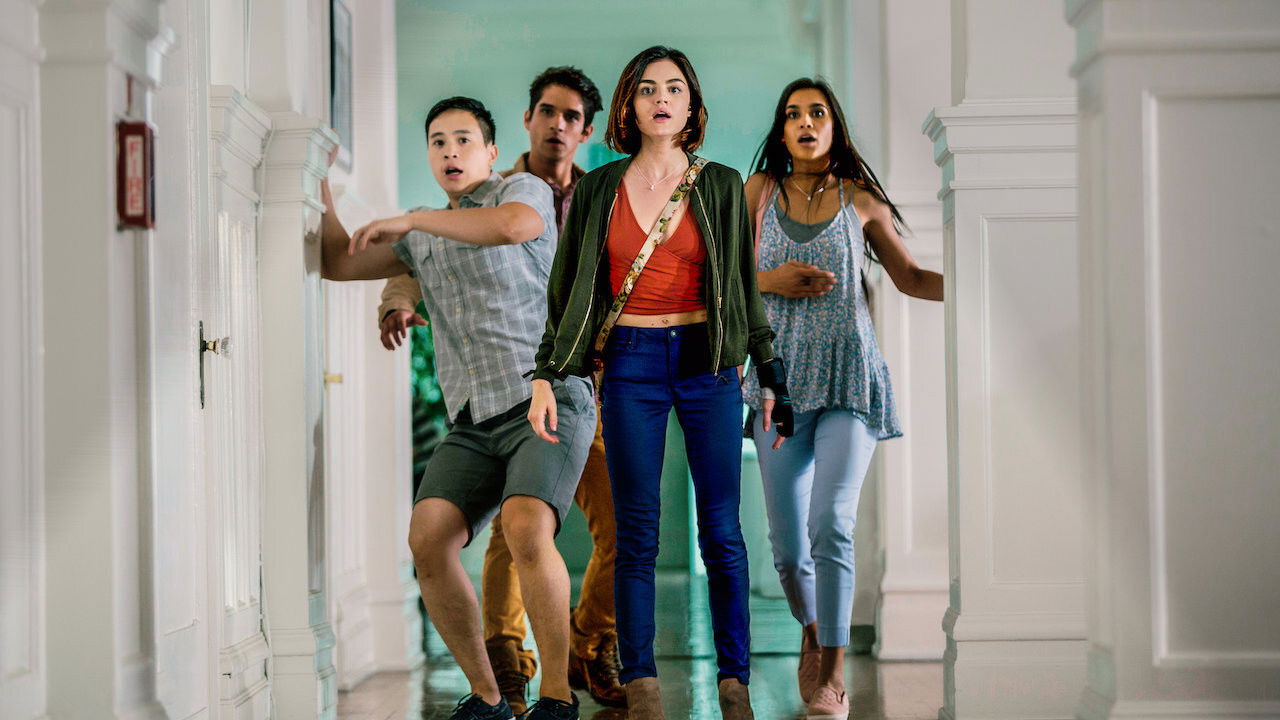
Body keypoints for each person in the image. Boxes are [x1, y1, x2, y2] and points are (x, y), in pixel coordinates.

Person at [528, 46, 792, 720]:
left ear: (692, 104)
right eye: (648, 89)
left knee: (722, 532)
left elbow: (742, 288)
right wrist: (547, 373)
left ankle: (734, 681)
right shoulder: (598, 188)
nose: (662, 99)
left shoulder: (722, 184)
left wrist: (770, 374)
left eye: (674, 88)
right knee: (637, 532)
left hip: (708, 362)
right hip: (631, 363)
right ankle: (642, 683)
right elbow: (567, 289)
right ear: (629, 104)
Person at [320, 96, 593, 720]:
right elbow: (336, 261)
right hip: (474, 420)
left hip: (546, 397)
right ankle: (489, 698)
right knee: (428, 537)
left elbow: (512, 227)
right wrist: (322, 178)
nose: (450, 151)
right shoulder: (424, 239)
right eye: (438, 141)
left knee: (525, 525)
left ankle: (556, 698)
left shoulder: (520, 190)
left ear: (491, 151)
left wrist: (413, 218)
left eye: (464, 139)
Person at [375, 68, 625, 711]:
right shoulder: (464, 207)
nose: (556, 124)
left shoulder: (572, 196)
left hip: (574, 384)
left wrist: (413, 220)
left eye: (571, 116)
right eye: (547, 111)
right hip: (483, 405)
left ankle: (580, 660)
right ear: (527, 121)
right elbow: (401, 261)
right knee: (476, 531)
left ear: (586, 130)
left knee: (592, 527)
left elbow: (520, 231)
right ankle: (499, 674)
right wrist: (396, 293)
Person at [742, 78, 943, 719]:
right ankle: (812, 630)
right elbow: (719, 277)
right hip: (777, 387)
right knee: (787, 548)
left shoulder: (860, 201)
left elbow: (910, 277)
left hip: (850, 380)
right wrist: (772, 279)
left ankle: (832, 670)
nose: (806, 123)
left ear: (835, 127)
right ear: (781, 131)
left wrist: (981, 278)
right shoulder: (757, 193)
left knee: (831, 522)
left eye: (818, 113)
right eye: (793, 114)